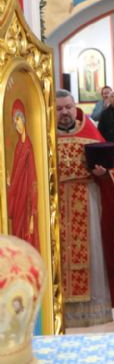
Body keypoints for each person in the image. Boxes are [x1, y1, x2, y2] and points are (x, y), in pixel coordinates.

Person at [56, 89, 114, 328]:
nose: (64, 112)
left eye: (68, 107)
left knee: (91, 255)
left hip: (87, 202)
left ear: (75, 107)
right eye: (59, 108)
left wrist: (104, 173)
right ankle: (59, 311)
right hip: (55, 206)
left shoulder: (90, 133)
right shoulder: (45, 135)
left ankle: (92, 313)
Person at [7, 99, 40, 251]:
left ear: (24, 119)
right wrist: (10, 182)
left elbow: (33, 179)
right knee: (16, 234)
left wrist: (33, 214)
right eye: (15, 123)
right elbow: (16, 173)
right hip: (18, 198)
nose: (18, 126)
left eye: (19, 120)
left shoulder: (28, 147)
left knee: (25, 236)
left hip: (26, 200)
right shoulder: (18, 146)